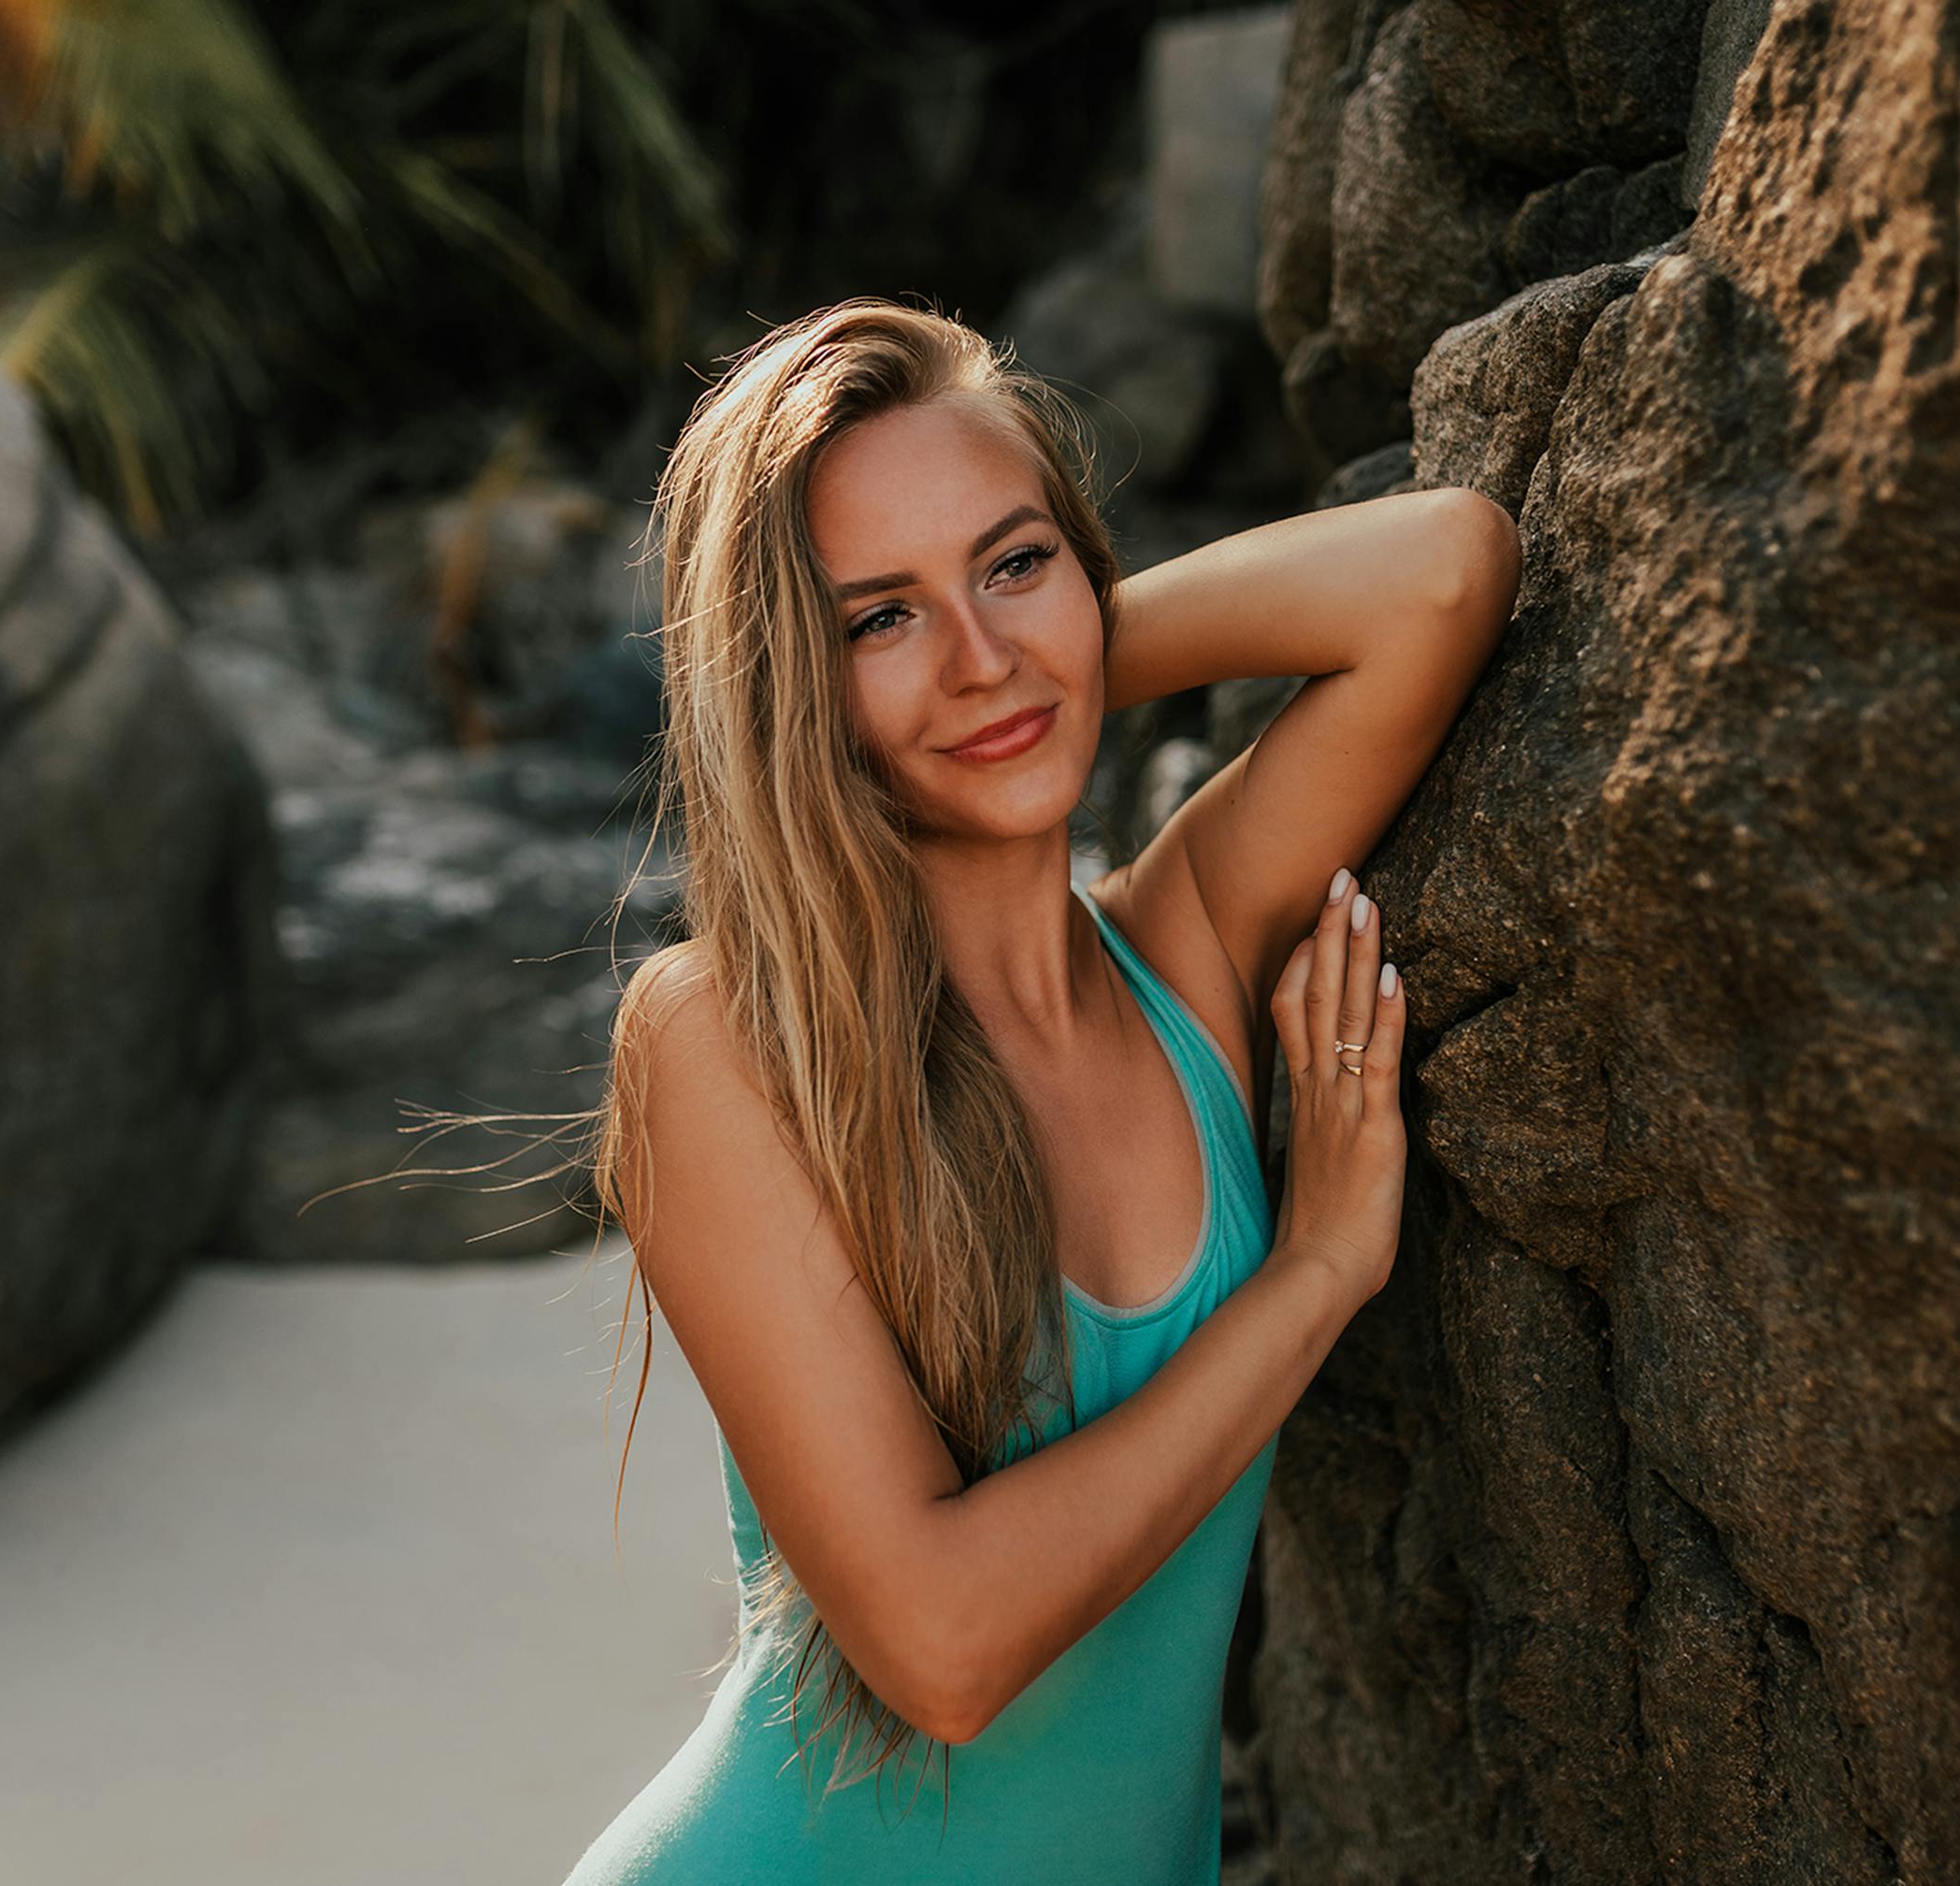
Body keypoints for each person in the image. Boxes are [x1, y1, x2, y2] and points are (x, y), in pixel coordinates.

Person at [558, 295, 1520, 1883]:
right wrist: (1315, 1274)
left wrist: (1044, 665)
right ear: (793, 687)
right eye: (880, 618)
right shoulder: (726, 1039)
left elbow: (1445, 571)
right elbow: (943, 1648)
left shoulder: (1188, 943)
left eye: (1014, 560)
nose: (978, 652)